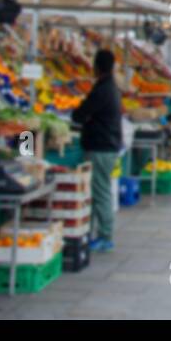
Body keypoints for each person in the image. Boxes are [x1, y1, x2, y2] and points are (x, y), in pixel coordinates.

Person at [72, 49, 121, 253]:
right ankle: (90, 231)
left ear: (97, 66)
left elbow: (81, 112)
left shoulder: (102, 90)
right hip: (107, 145)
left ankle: (105, 236)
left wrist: (80, 117)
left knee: (100, 192)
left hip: (101, 147)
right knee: (97, 191)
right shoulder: (110, 88)